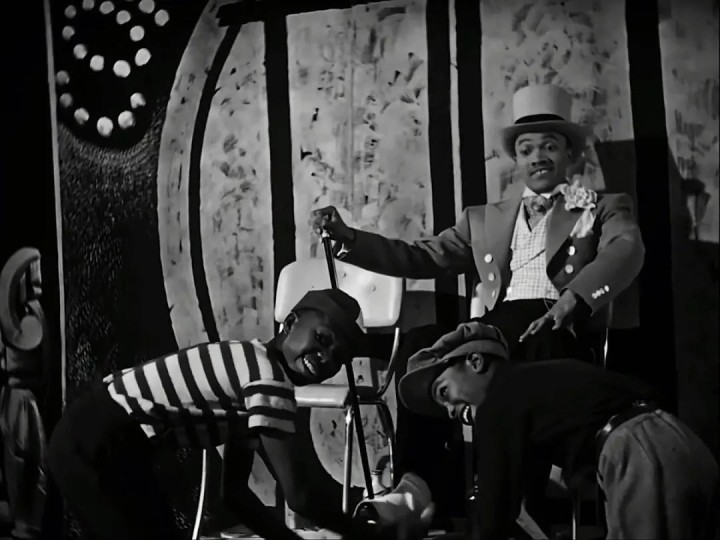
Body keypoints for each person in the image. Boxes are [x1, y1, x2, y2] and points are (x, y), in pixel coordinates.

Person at [311, 83, 645, 522]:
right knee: (420, 345)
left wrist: (573, 300)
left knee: (528, 354)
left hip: (558, 331)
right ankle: (414, 491)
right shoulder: (484, 219)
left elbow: (626, 249)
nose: (538, 157)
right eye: (526, 149)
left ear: (570, 155)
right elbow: (421, 256)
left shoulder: (602, 206)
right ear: (517, 161)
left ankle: (510, 499)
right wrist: (350, 238)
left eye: (550, 146)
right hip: (496, 330)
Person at [47, 289, 381, 540]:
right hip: (101, 440)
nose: (325, 356)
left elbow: (235, 497)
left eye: (338, 357)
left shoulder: (249, 376)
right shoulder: (267, 378)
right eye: (321, 339)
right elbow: (300, 497)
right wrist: (369, 534)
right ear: (290, 323)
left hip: (101, 439)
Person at [397, 320, 719, 540]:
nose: (451, 410)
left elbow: (494, 512)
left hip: (639, 454)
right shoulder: (535, 385)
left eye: (444, 392)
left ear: (475, 362)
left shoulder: (497, 401)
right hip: (680, 442)